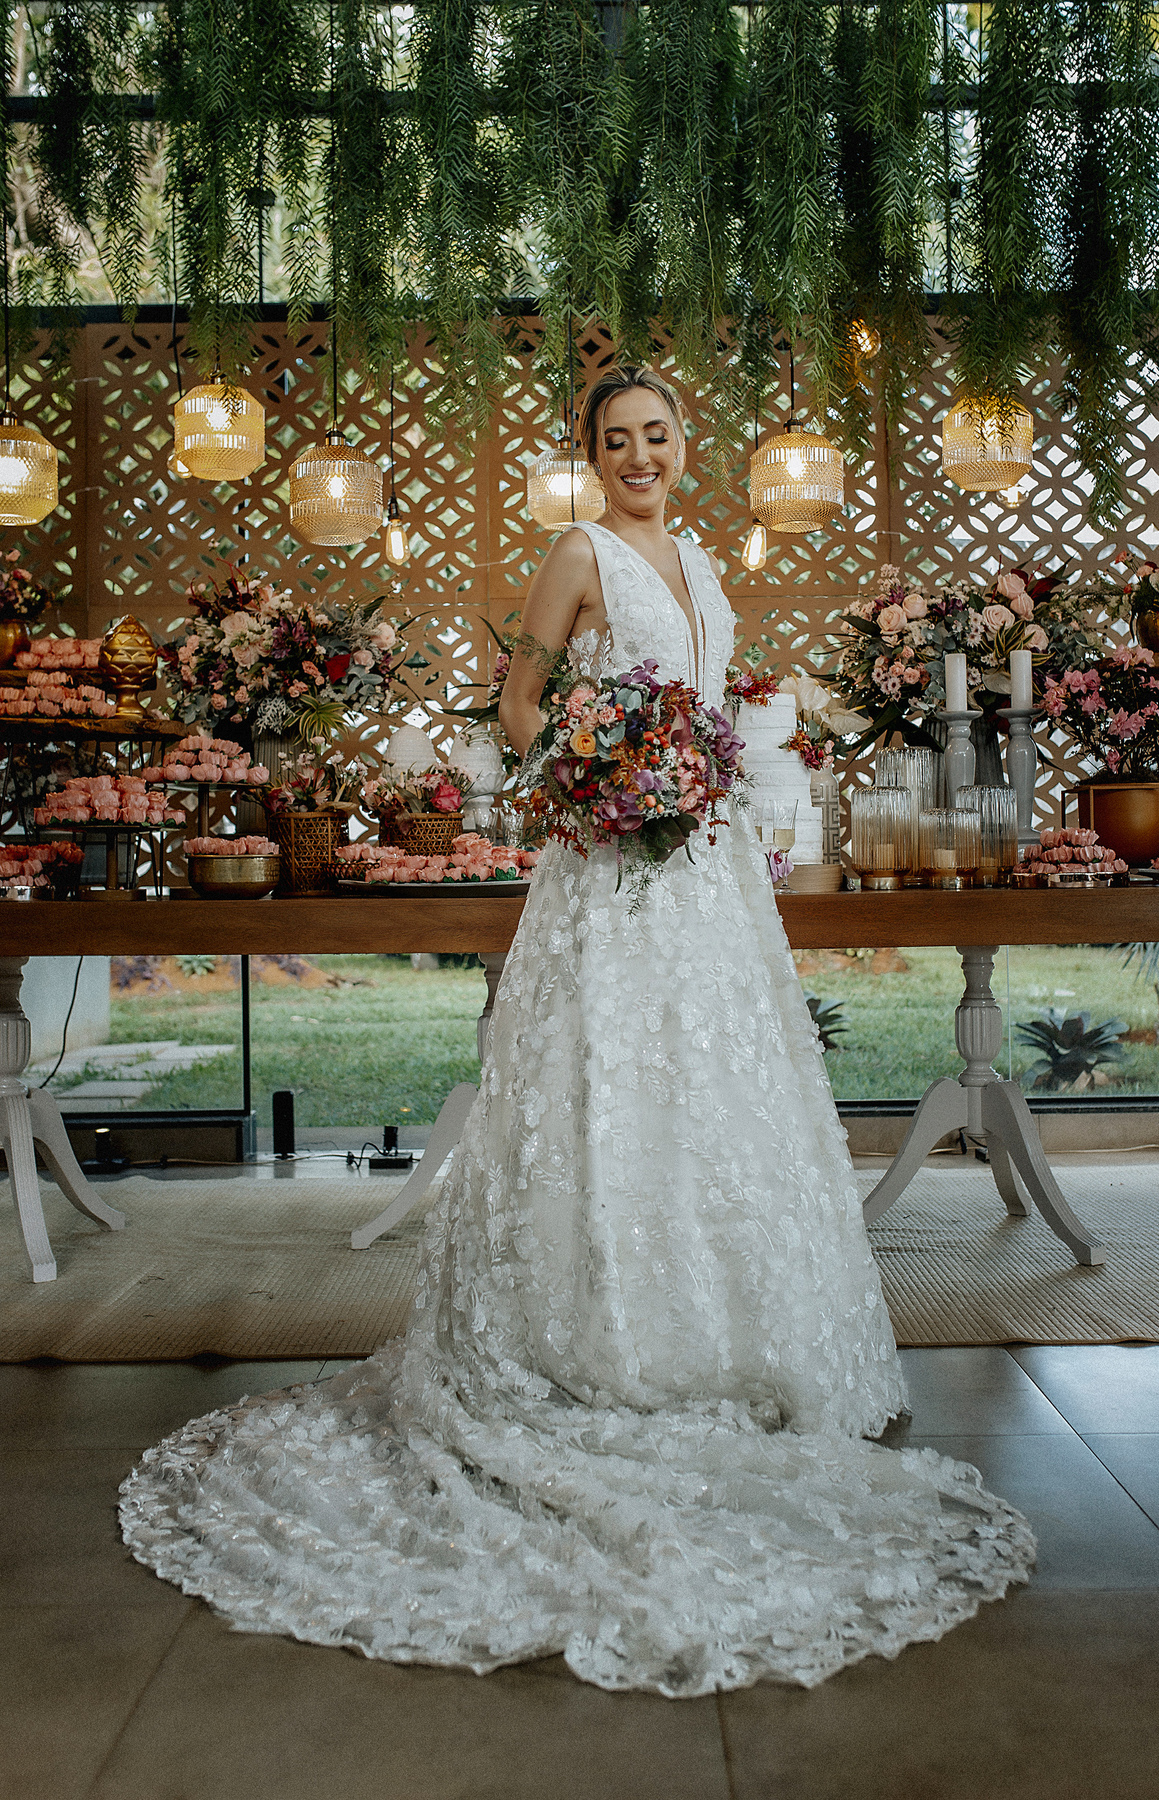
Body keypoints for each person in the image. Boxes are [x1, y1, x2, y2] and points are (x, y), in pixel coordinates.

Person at [121, 366, 1034, 1697]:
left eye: (659, 435)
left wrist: (695, 763)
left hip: (708, 875)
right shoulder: (578, 551)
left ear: (685, 445)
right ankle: (595, 1339)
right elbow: (517, 708)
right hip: (613, 872)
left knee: (712, 1087)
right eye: (619, 441)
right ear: (593, 457)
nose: (642, 456)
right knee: (608, 1089)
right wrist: (599, 771)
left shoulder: (697, 549)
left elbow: (709, 711)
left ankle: (735, 1335)